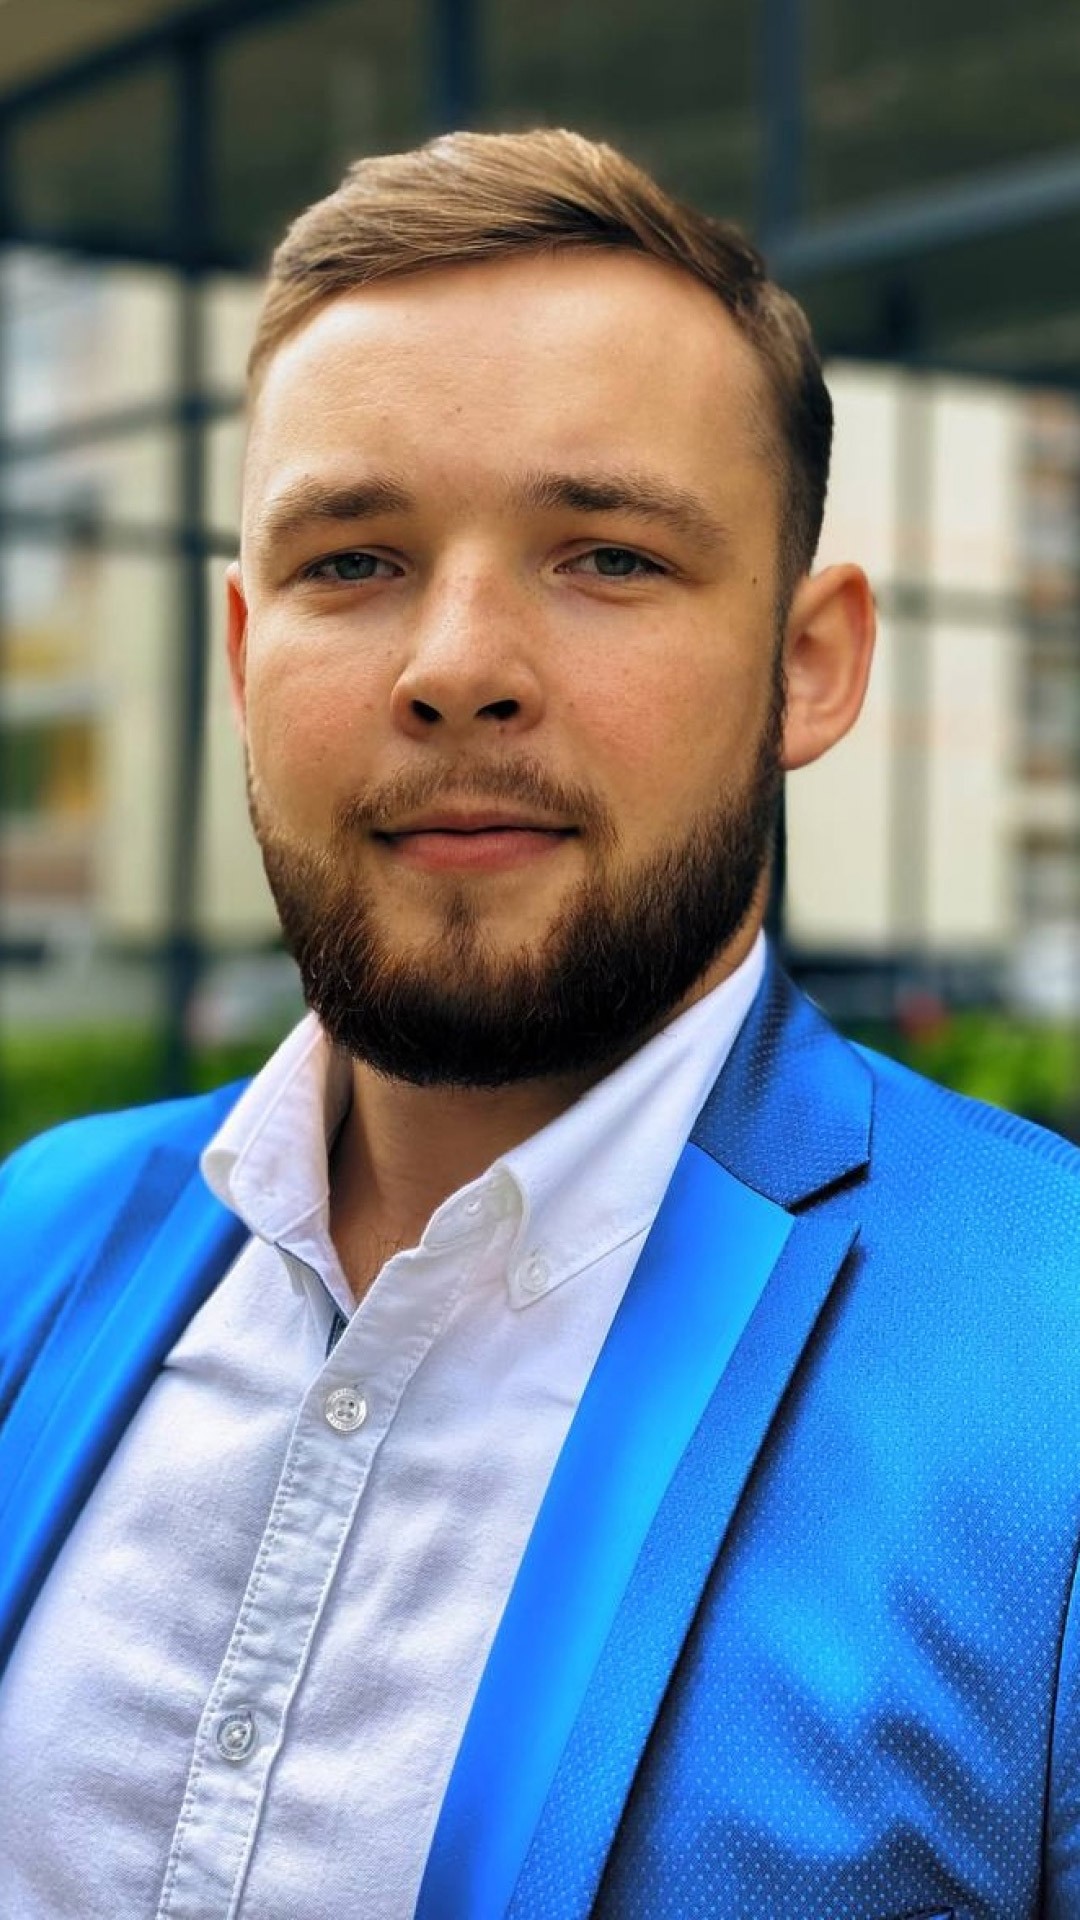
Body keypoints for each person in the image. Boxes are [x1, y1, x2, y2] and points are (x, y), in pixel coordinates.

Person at [0, 127, 1078, 1920]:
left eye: (607, 558)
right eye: (353, 561)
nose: (457, 662)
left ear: (809, 665)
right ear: (243, 653)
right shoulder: (30, 1244)